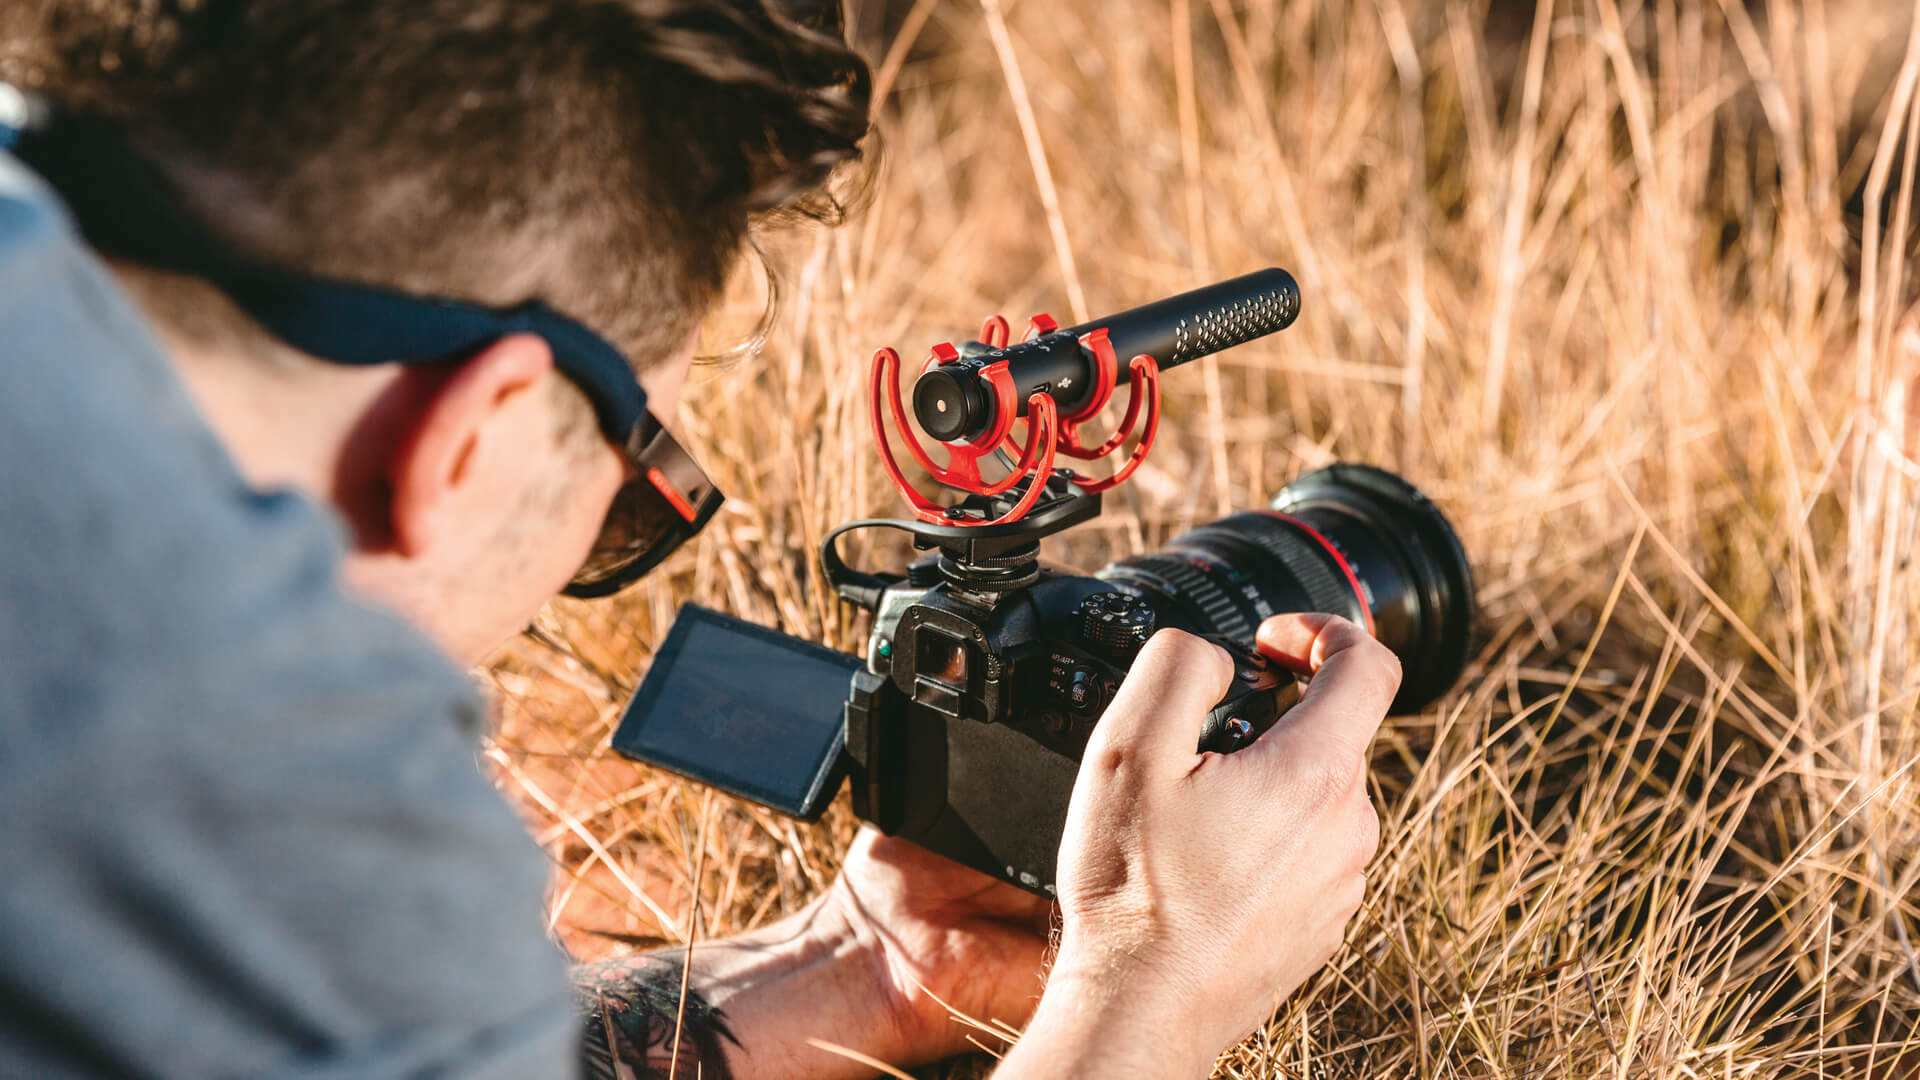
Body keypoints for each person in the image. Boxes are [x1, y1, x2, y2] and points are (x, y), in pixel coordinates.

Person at [0, 2, 1397, 1077]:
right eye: (634, 497)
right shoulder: (268, 778)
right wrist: (1150, 998)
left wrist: (859, 963)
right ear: (464, 439)